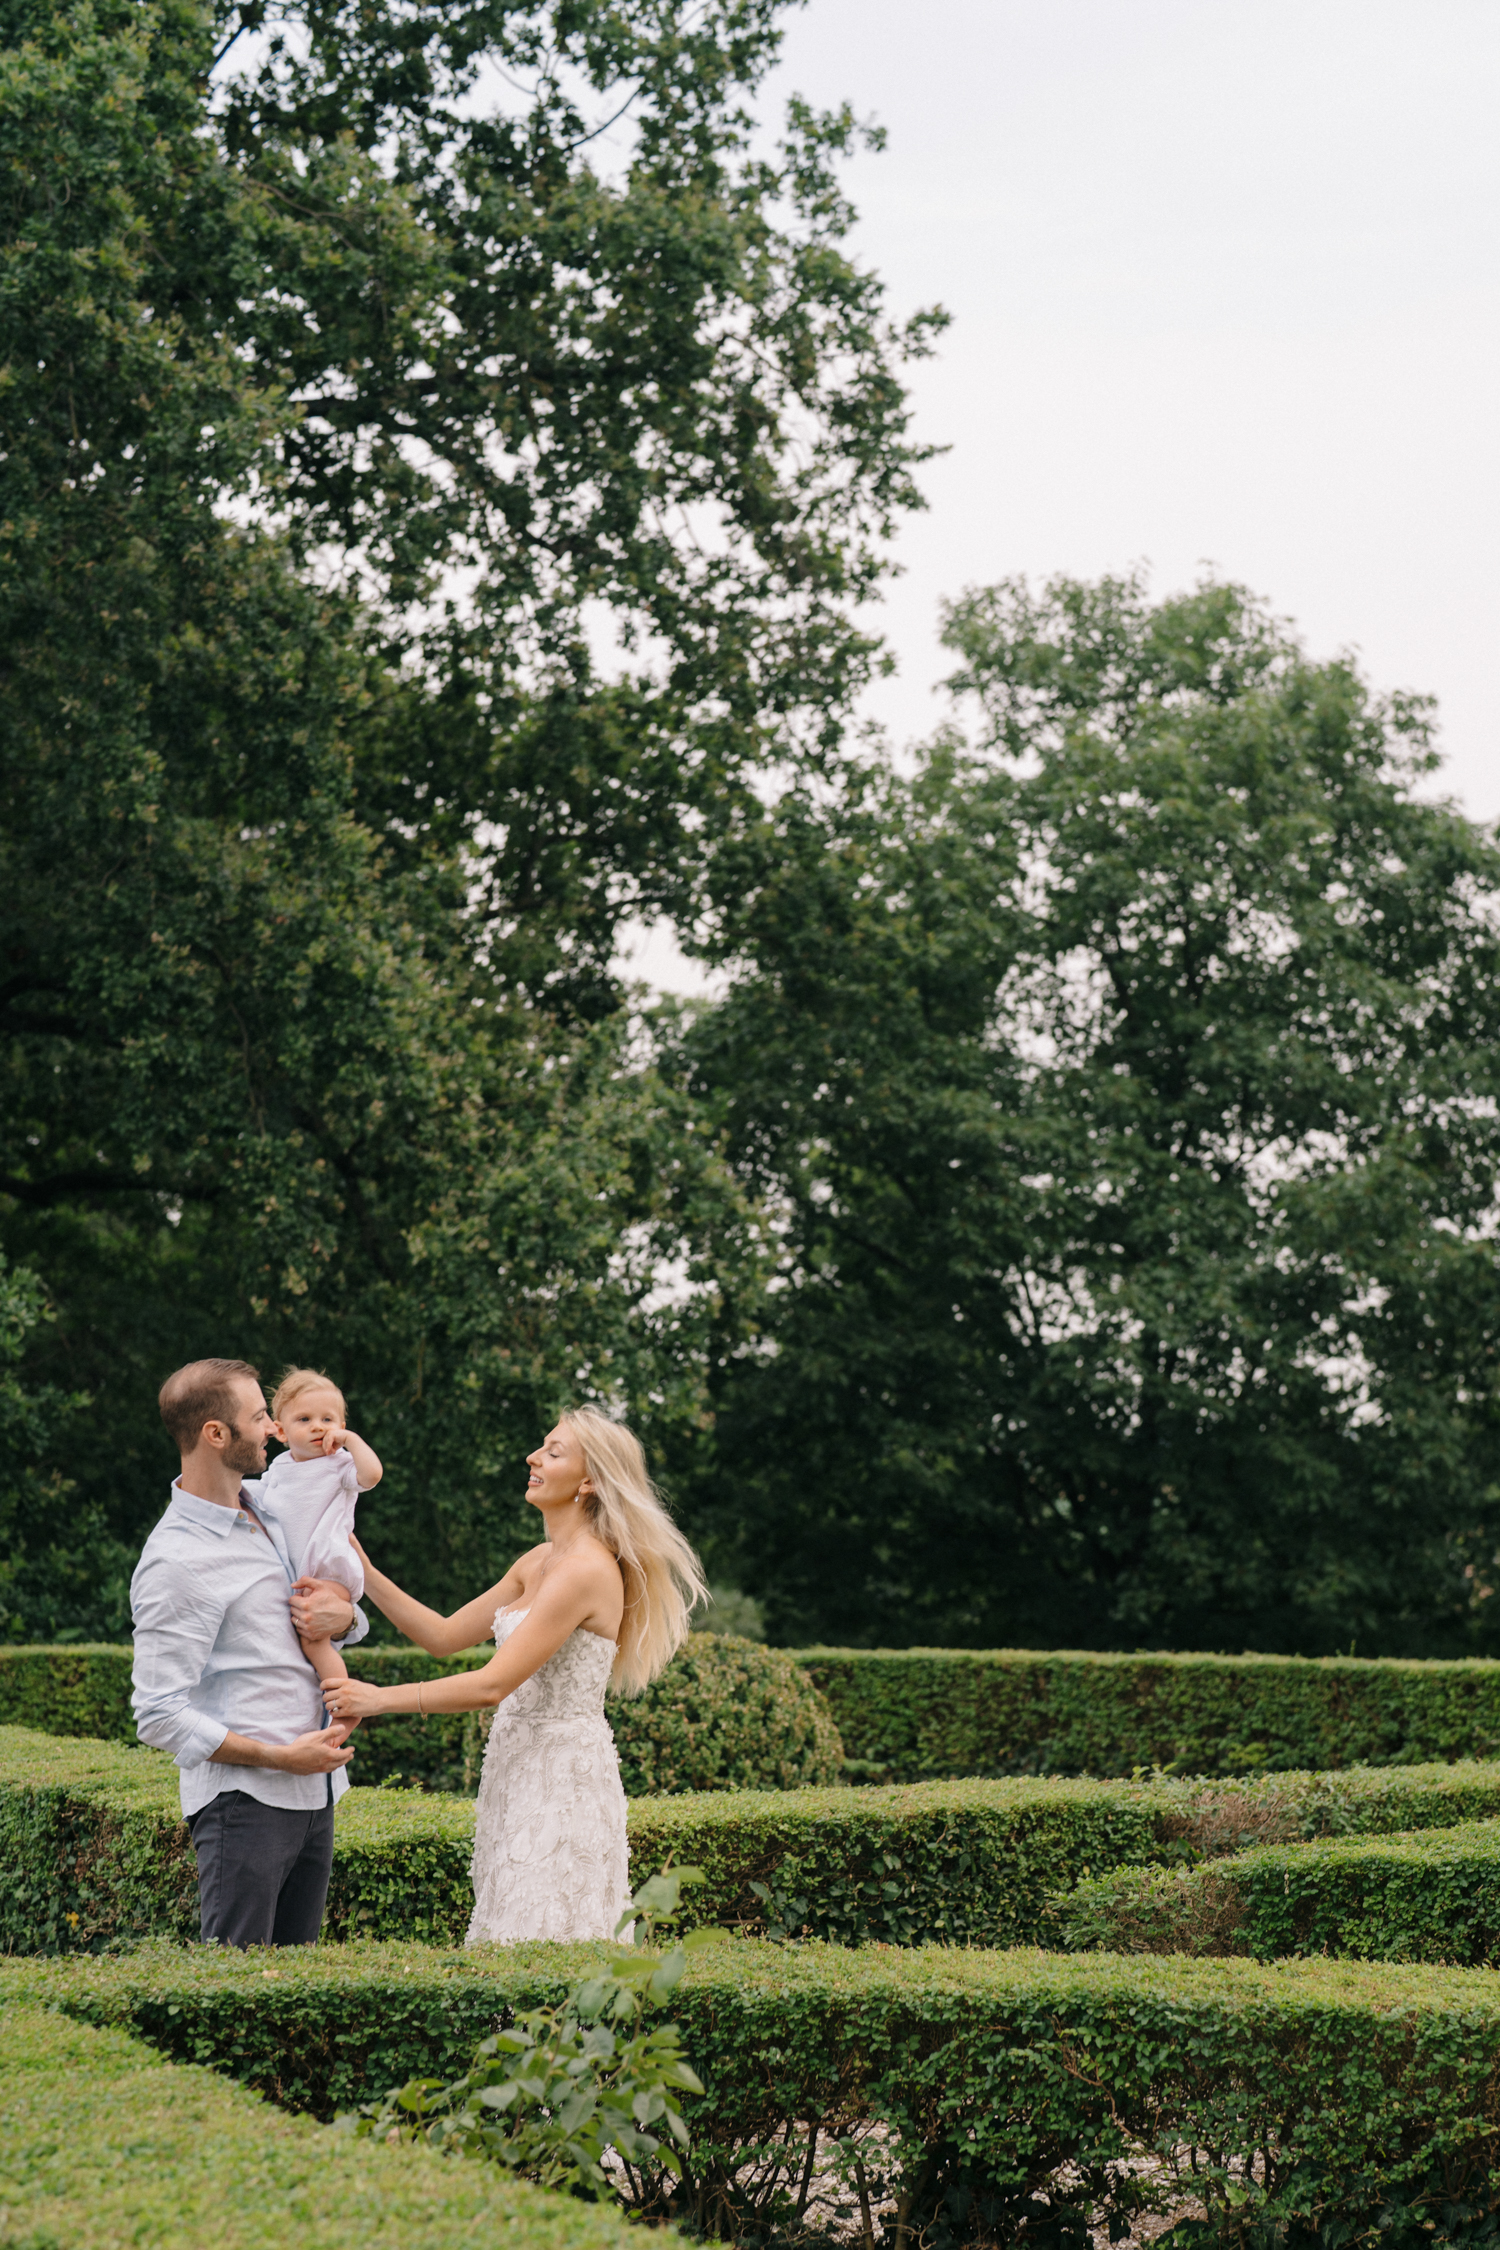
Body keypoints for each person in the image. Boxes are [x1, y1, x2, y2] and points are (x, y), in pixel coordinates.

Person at [321, 1407, 706, 1944]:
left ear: (589, 1482)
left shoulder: (584, 1570)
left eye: (553, 1451)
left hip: (562, 1777)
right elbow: (442, 1635)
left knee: (544, 1931)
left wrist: (377, 1698)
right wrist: (357, 1565)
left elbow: (491, 1684)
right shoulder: (539, 1560)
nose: (532, 1456)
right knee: (509, 1923)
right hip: (515, 1766)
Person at [131, 1358, 367, 1948]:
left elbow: (317, 1608)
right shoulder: (176, 1561)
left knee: (294, 1999)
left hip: (317, 1794)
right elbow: (157, 1713)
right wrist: (278, 1757)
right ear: (216, 1434)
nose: (272, 1429)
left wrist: (347, 1616)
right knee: (237, 2000)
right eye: (260, 1416)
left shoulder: (273, 1506)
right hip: (246, 1806)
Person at [245, 1366, 383, 1704]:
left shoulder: (340, 1465)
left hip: (327, 1569)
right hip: (296, 1572)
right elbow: (259, 1497)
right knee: (291, 1636)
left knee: (313, 1640)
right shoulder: (278, 1469)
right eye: (304, 1419)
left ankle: (345, 1701)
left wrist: (351, 1441)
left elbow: (373, 1475)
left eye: (328, 1419)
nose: (318, 1427)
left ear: (341, 1428)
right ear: (280, 1430)